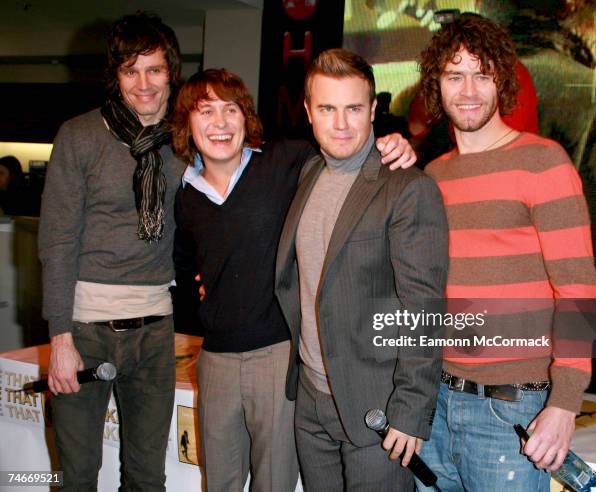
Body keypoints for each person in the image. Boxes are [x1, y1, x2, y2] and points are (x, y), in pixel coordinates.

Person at [170, 68, 416, 492]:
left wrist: (390, 142)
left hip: (277, 355)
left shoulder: (286, 160)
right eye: (205, 111)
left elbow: (345, 149)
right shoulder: (186, 195)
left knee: (275, 484)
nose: (220, 123)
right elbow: (185, 267)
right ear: (187, 124)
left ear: (246, 117)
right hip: (215, 362)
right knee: (219, 483)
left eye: (231, 109)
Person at [415, 13, 596, 491]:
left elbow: (577, 290)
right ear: (437, 84)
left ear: (503, 81)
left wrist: (565, 403)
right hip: (433, 407)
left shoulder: (543, 163)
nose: (469, 90)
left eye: (483, 74)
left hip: (510, 414)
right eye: (455, 75)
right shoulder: (433, 177)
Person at [274, 48, 448, 491]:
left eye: (354, 108)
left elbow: (424, 309)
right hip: (311, 399)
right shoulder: (310, 173)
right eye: (327, 108)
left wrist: (410, 411)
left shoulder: (408, 188)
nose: (341, 123)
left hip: (379, 407)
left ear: (373, 110)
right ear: (309, 112)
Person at [38, 12, 184, 490]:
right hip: (84, 331)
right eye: (130, 70)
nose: (144, 84)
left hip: (155, 331)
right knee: (78, 477)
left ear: (171, 72)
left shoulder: (187, 140)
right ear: (115, 76)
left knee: (147, 479)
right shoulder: (80, 136)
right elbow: (58, 240)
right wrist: (60, 337)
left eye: (155, 69)